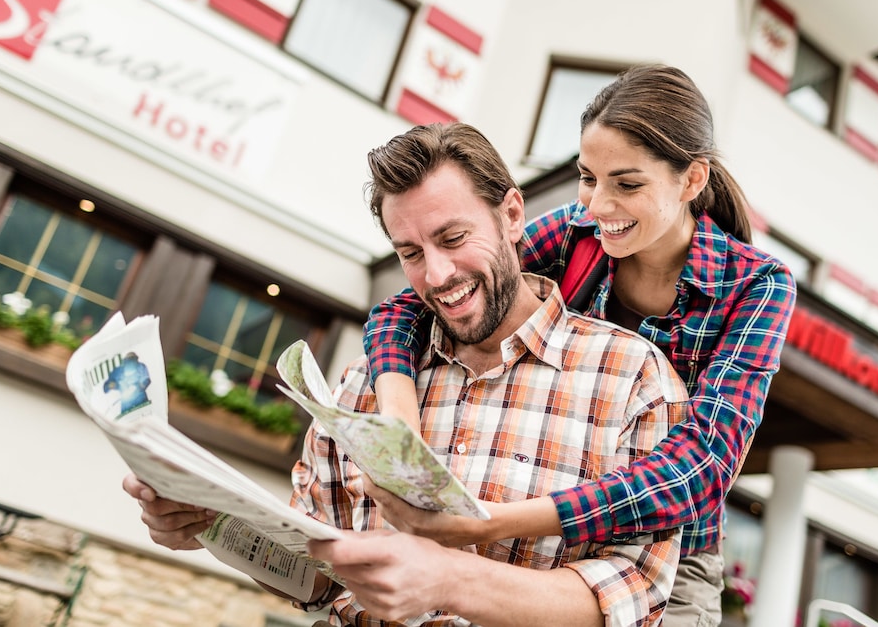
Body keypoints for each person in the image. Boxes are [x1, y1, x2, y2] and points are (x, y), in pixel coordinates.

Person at [125, 121, 691, 626]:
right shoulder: (360, 386)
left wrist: (450, 581)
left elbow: (634, 598)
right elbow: (317, 576)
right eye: (410, 253)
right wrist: (215, 525)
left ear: (512, 215)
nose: (437, 274)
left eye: (452, 238)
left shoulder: (633, 380)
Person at [363, 64, 798, 626]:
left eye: (627, 184)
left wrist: (493, 521)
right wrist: (399, 423)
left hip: (672, 551)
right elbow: (406, 306)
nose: (598, 205)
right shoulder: (576, 232)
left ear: (692, 181)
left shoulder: (756, 285)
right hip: (556, 545)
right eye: (588, 177)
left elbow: (702, 468)